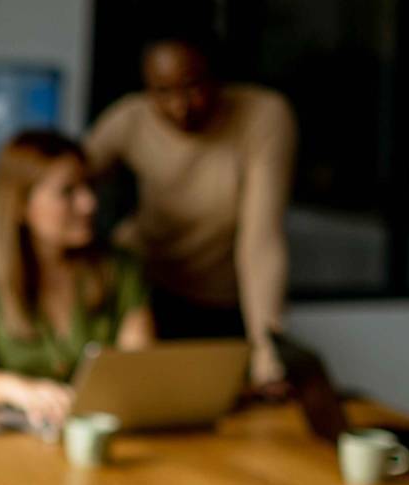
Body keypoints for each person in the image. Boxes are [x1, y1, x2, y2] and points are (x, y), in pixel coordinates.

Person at [83, 32, 295, 387]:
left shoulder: (265, 116)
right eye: (162, 92)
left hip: (223, 301)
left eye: (193, 87)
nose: (180, 106)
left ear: (217, 77)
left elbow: (260, 245)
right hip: (146, 293)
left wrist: (267, 352)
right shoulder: (129, 119)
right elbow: (50, 185)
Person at [0, 131, 156, 428]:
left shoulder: (120, 268)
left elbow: (139, 367)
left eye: (88, 186)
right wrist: (20, 390)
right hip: (7, 442)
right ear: (21, 206)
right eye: (67, 192)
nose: (89, 203)